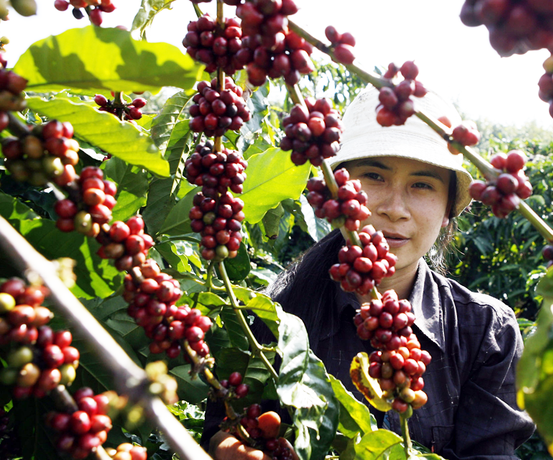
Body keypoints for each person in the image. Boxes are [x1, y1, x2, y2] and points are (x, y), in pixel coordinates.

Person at [203, 87, 535, 460]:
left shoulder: (487, 332)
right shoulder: (269, 316)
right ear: (336, 191)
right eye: (375, 176)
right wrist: (227, 447)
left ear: (446, 212)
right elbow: (224, 424)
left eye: (422, 185)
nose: (395, 209)